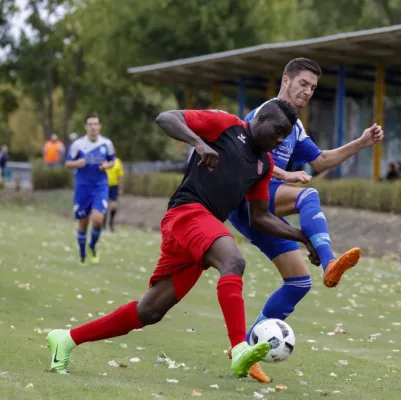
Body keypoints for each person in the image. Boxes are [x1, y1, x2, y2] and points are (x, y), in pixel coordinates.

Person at [46, 99, 320, 379]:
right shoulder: (225, 124)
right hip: (185, 214)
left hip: (201, 231)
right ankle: (239, 349)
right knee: (233, 260)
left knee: (150, 311)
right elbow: (166, 117)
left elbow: (259, 216)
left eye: (285, 135)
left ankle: (65, 339)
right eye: (277, 131)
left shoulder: (264, 163)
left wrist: (302, 236)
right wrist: (198, 143)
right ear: (261, 119)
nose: (279, 139)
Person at [226, 57, 383, 383]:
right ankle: (329, 262)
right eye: (303, 84)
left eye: (313, 87)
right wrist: (285, 172)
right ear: (286, 81)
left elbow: (322, 160)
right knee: (308, 196)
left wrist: (363, 142)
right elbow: (253, 153)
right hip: (248, 197)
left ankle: (244, 351)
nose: (308, 91)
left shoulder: (294, 127)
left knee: (298, 281)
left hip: (265, 209)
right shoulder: (264, 113)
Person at [65, 114, 115, 264]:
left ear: (99, 126)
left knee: (98, 219)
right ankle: (82, 254)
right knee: (83, 222)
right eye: (90, 124)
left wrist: (107, 165)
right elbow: (67, 163)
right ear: (85, 127)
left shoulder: (106, 143)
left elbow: (112, 161)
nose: (93, 127)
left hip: (100, 186)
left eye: (96, 124)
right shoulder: (78, 145)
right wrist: (76, 163)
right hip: (82, 187)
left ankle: (92, 246)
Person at [104, 156, 125, 232]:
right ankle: (103, 225)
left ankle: (111, 223)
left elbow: (121, 176)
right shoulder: (103, 160)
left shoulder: (117, 161)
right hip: (103, 186)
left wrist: (120, 189)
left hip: (114, 186)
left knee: (114, 206)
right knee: (104, 206)